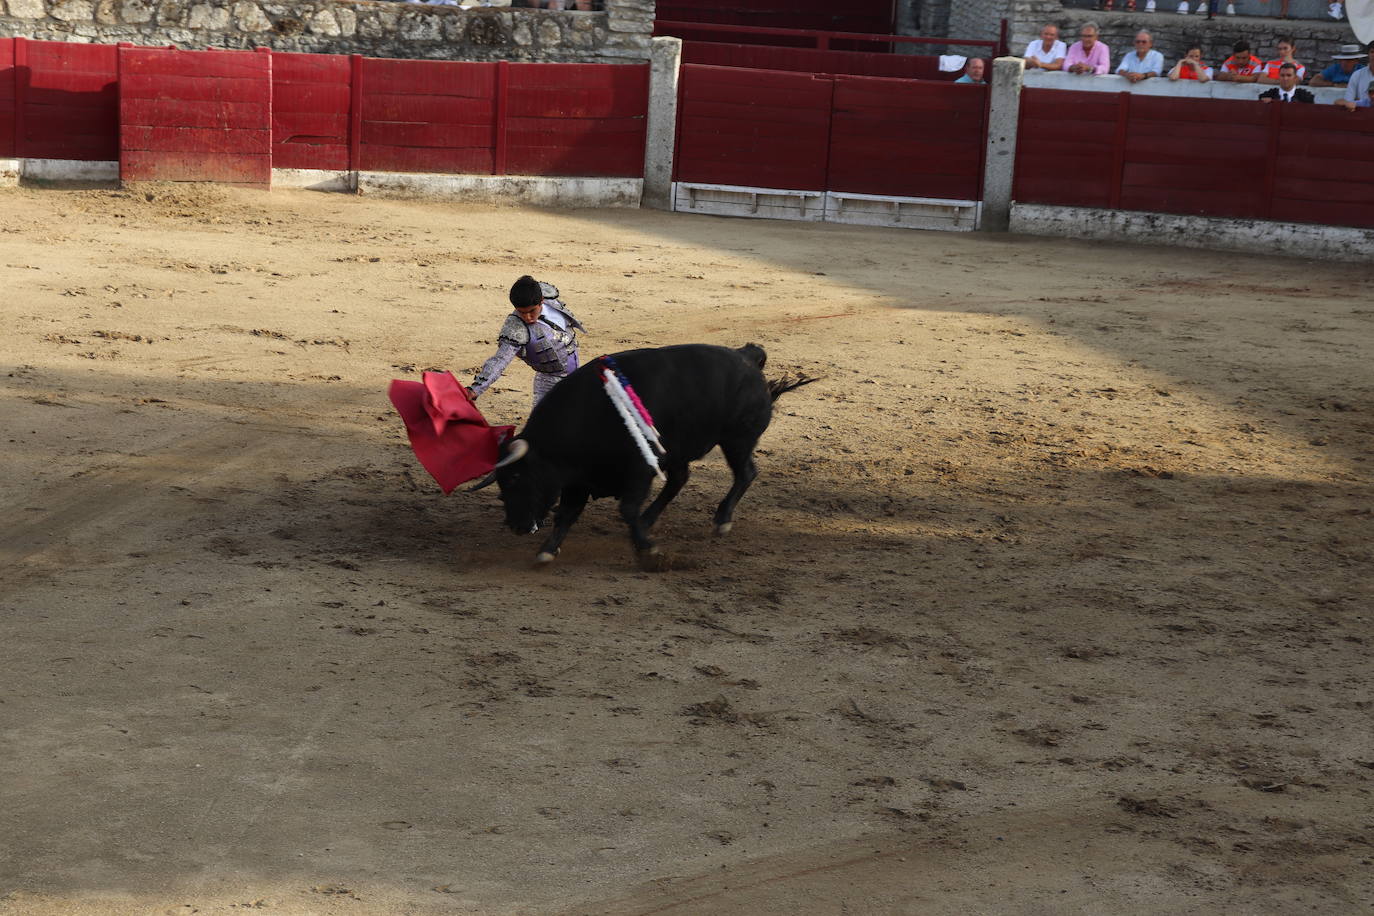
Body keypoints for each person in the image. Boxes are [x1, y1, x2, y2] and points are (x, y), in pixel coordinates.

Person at [468, 275, 586, 407]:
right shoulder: (516, 329)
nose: (527, 317)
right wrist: (476, 388)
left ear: (541, 301)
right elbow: (500, 360)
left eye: (531, 311)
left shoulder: (552, 302)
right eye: (521, 312)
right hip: (549, 382)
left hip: (577, 375)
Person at [1335, 42, 1374, 111]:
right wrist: (1350, 103)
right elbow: (1348, 101)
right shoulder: (1357, 75)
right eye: (1372, 52)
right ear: (1368, 54)